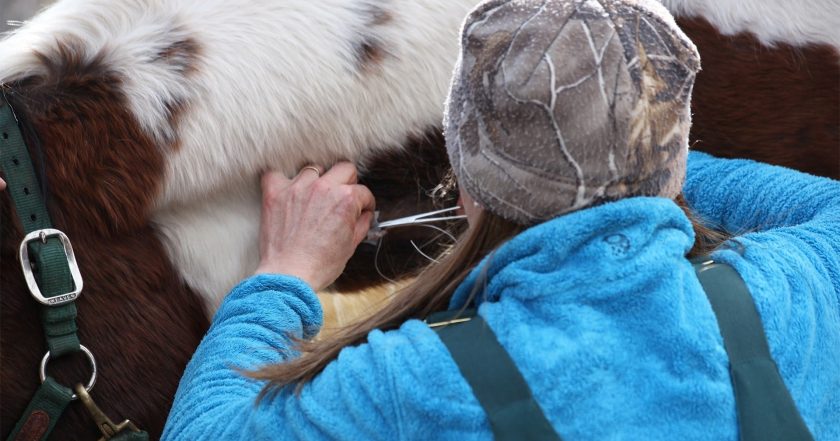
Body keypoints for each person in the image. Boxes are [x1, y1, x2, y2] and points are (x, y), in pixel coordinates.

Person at [162, 0, 840, 439]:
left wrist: (285, 273)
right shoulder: (792, 294)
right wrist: (641, 159)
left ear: (465, 180)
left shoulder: (413, 384)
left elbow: (202, 432)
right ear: (674, 152)